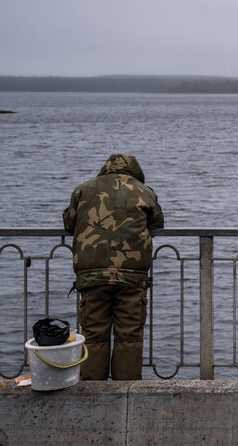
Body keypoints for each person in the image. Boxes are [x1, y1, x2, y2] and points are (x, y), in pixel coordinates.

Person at [63, 153, 164, 380]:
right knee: (129, 337)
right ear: (135, 171)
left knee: (94, 335)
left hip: (91, 276)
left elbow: (69, 222)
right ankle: (126, 392)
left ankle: (92, 392)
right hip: (132, 278)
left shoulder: (82, 190)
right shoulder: (144, 191)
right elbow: (158, 221)